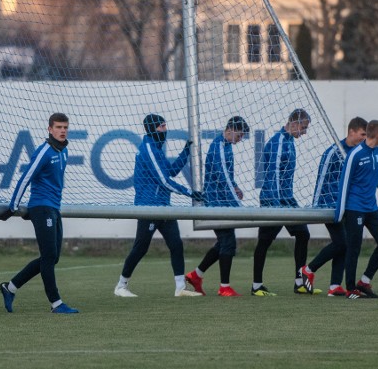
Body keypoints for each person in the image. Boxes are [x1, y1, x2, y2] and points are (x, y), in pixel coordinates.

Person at [0, 113, 79, 314]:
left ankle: (10, 288)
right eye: (58, 127)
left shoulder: (63, 151)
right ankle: (56, 303)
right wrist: (13, 207)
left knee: (51, 258)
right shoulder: (44, 152)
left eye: (65, 127)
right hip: (42, 207)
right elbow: (25, 178)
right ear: (50, 129)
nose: (62, 131)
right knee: (49, 257)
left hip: (53, 208)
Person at [114, 114, 203, 298]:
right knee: (141, 247)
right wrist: (189, 192)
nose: (165, 130)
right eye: (162, 126)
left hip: (163, 206)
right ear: (153, 128)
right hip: (149, 207)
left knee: (176, 245)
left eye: (165, 126)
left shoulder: (156, 148)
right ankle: (121, 286)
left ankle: (180, 288)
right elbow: (164, 181)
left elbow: (169, 172)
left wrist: (185, 151)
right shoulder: (148, 149)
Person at [298, 117, 368, 298]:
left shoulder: (357, 153)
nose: (364, 138)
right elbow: (322, 178)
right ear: (351, 131)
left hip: (346, 206)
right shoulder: (334, 152)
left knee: (343, 244)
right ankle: (308, 269)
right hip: (329, 205)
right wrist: (318, 205)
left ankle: (335, 286)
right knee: (342, 242)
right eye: (362, 134)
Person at [251, 108, 314, 297]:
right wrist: (278, 206)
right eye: (303, 128)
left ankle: (299, 283)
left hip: (286, 199)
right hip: (273, 200)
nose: (304, 132)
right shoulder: (278, 142)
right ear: (293, 124)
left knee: (303, 234)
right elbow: (273, 177)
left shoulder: (288, 141)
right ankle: (256, 286)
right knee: (264, 242)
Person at [185, 116, 250, 297]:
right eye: (239, 136)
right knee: (228, 242)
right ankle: (224, 287)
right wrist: (238, 205)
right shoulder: (219, 147)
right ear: (230, 129)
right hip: (216, 203)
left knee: (224, 242)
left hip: (223, 202)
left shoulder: (226, 146)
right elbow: (222, 177)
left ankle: (196, 275)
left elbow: (226, 175)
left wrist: (235, 187)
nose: (240, 140)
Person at [335, 119, 378, 299]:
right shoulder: (355, 154)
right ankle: (351, 288)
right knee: (354, 247)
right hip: (354, 208)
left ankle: (365, 281)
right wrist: (340, 213)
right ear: (376, 134)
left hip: (371, 208)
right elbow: (344, 183)